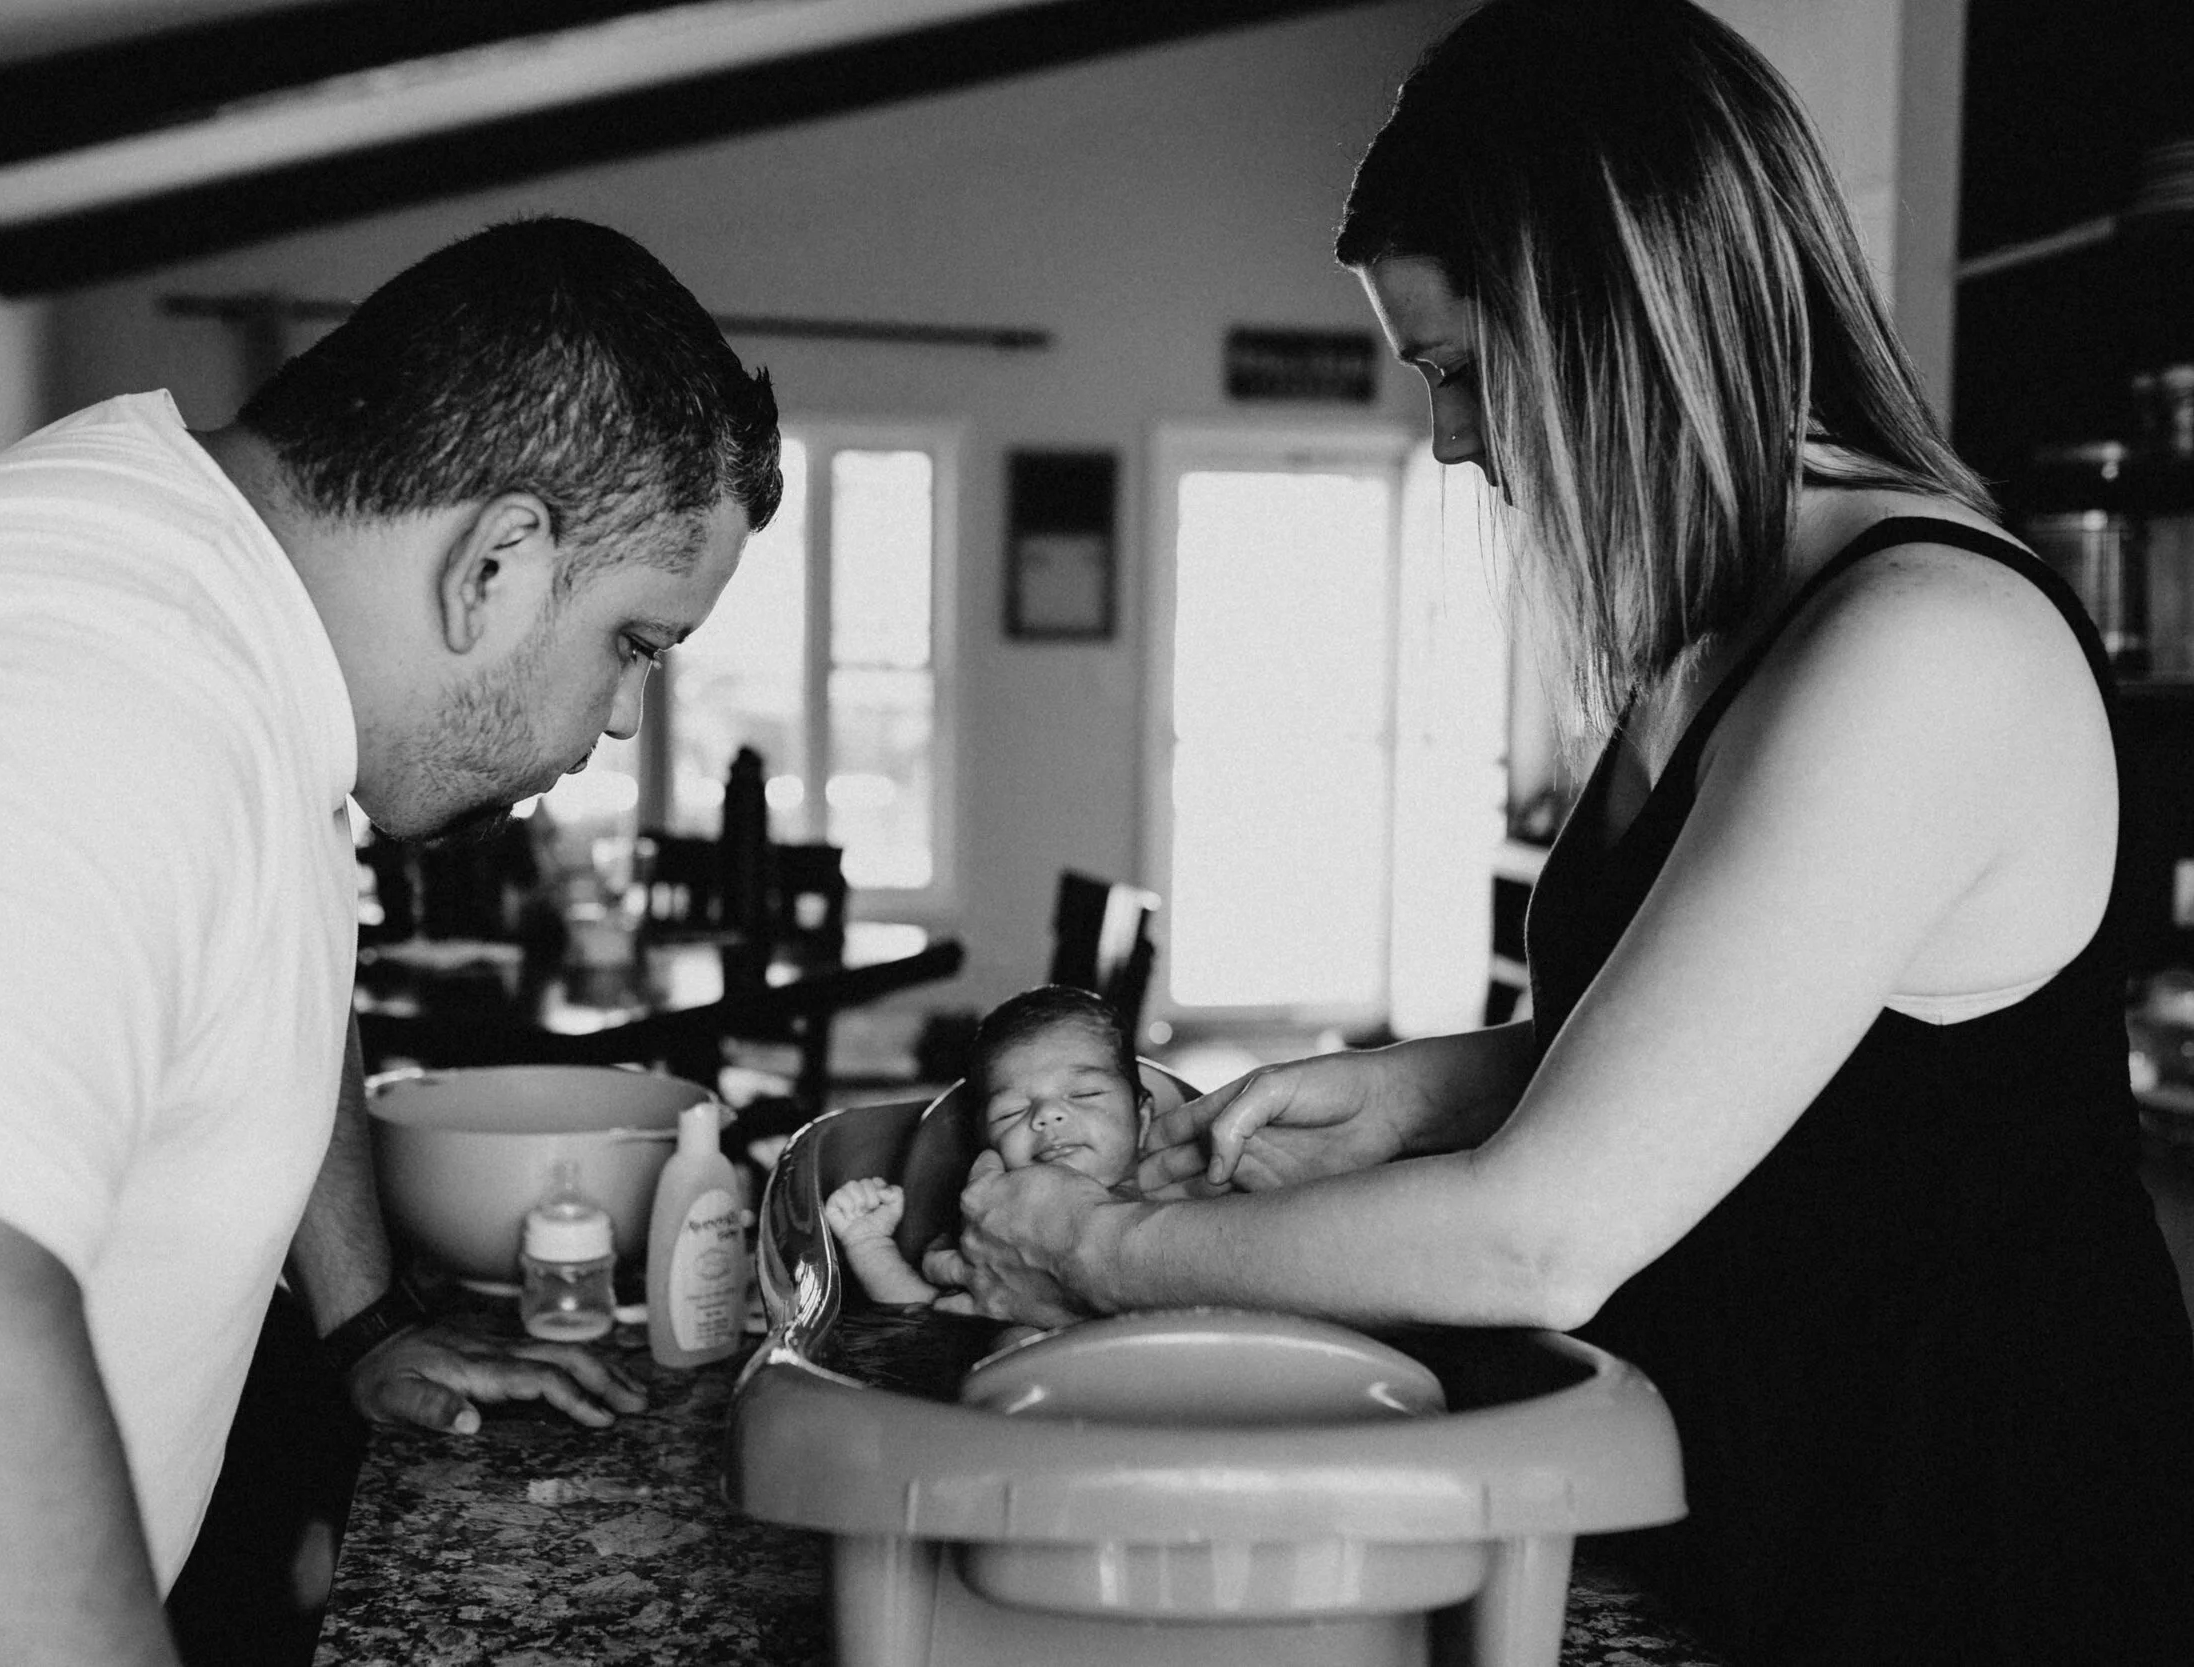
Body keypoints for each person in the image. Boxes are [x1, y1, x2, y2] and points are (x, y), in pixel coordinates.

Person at [932, 4, 2194, 1663]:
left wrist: (1102, 1249)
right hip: (1777, 1512)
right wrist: (1419, 1090)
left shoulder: (1921, 648)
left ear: (1617, 306)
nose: (1450, 441)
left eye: (1457, 367)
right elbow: (1793, 1058)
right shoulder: (1727, 625)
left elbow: (1548, 1231)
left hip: (1986, 1554)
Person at [0, 215, 783, 1667]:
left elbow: (273, 950)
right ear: (499, 561)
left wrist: (362, 1314)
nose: (627, 717)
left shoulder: (242, 643)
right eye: (637, 644)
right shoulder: (93, 677)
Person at [824, 984, 1150, 1306]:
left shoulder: (1184, 1207)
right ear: (986, 1147)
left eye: (1085, 1094)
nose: (1048, 1115)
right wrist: (869, 1244)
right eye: (1011, 1113)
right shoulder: (988, 1238)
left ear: (1143, 1119)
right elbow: (928, 1311)